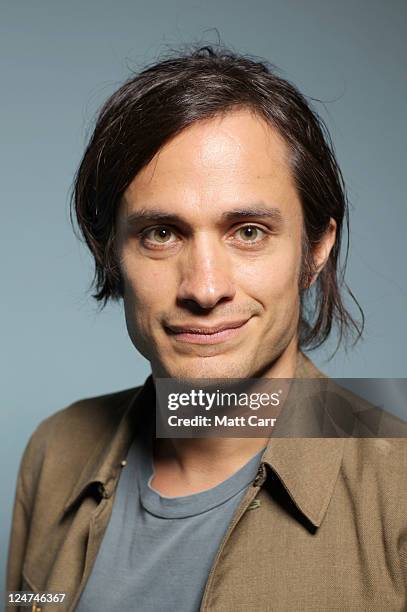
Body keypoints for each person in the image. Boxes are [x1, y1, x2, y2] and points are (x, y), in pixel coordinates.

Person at [6, 45, 407, 612]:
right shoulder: (57, 449)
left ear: (315, 249)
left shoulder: (397, 488)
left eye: (248, 232)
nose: (204, 287)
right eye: (161, 233)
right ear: (112, 254)